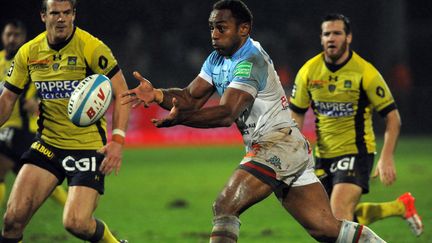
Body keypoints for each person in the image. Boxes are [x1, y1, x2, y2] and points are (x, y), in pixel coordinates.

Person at [122, 1, 386, 242]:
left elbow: (227, 113)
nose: (214, 34)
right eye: (212, 27)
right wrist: (158, 94)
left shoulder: (250, 60)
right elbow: (190, 97)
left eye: (222, 28)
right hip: (284, 146)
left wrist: (182, 118)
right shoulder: (217, 58)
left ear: (244, 29)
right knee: (326, 229)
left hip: (277, 144)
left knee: (225, 205)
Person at [0, 0, 130, 242]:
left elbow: (122, 92)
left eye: (66, 13)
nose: (61, 19)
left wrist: (118, 141)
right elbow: (7, 99)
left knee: (77, 223)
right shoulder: (29, 52)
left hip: (88, 147)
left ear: (74, 15)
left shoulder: (91, 47)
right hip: (47, 144)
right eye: (55, 13)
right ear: (43, 16)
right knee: (12, 220)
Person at [289, 13, 423, 237]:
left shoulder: (365, 72)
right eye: (327, 34)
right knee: (327, 225)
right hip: (323, 156)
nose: (331, 38)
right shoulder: (308, 71)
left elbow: (392, 118)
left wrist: (386, 157)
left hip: (356, 152)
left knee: (339, 215)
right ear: (321, 39)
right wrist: (292, 150)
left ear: (348, 37)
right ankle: (399, 207)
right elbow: (296, 114)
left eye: (337, 33)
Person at [0, 20, 68, 208]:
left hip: (23, 128)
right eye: (8, 34)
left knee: (1, 169)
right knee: (38, 177)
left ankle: (74, 207)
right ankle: (72, 204)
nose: (12, 39)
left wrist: (38, 101)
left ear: (23, 38)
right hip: (5, 127)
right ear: (3, 36)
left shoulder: (31, 60)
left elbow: (53, 83)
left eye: (16, 35)